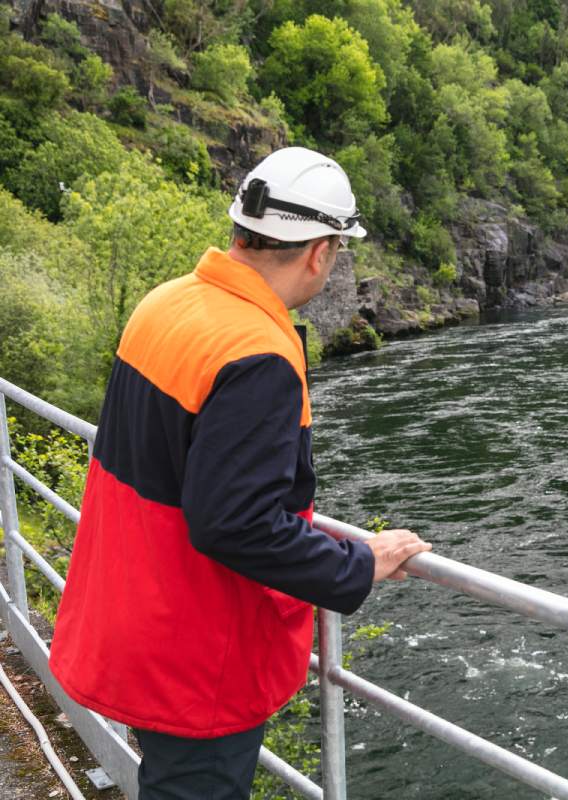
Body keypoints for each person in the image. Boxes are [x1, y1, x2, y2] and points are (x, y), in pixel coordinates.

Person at [48, 147, 431, 799]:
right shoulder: (257, 353)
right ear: (319, 252)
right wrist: (357, 563)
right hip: (196, 657)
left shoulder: (165, 304)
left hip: (134, 618)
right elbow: (235, 523)